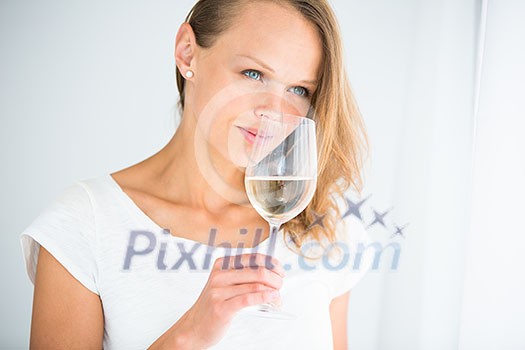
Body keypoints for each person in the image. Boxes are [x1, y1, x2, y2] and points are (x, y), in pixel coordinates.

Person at [20, 0, 374, 348]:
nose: (274, 111)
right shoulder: (86, 224)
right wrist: (190, 334)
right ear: (187, 53)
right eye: (254, 74)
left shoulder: (325, 229)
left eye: (299, 90)